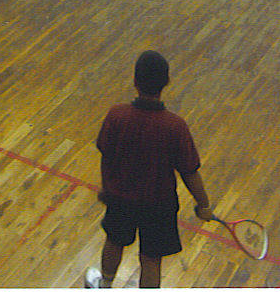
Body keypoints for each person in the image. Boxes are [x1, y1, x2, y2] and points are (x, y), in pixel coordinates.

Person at [85, 51, 214, 288]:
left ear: (135, 80)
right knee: (151, 259)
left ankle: (104, 285)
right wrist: (203, 204)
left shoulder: (116, 115)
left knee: (114, 241)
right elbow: (189, 172)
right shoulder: (175, 126)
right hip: (159, 206)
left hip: (121, 199)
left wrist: (106, 188)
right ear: (166, 82)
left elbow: (106, 153)